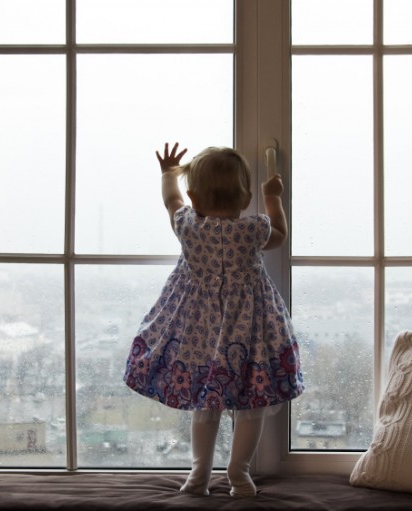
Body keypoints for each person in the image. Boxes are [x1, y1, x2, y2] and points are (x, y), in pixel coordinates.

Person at [123, 142, 304, 497]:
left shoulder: (188, 226)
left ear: (194, 196)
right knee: (253, 405)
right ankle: (240, 474)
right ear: (244, 196)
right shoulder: (252, 230)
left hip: (197, 332)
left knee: (205, 405)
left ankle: (198, 475)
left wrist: (167, 173)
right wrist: (273, 197)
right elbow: (280, 235)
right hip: (249, 332)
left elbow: (171, 200)